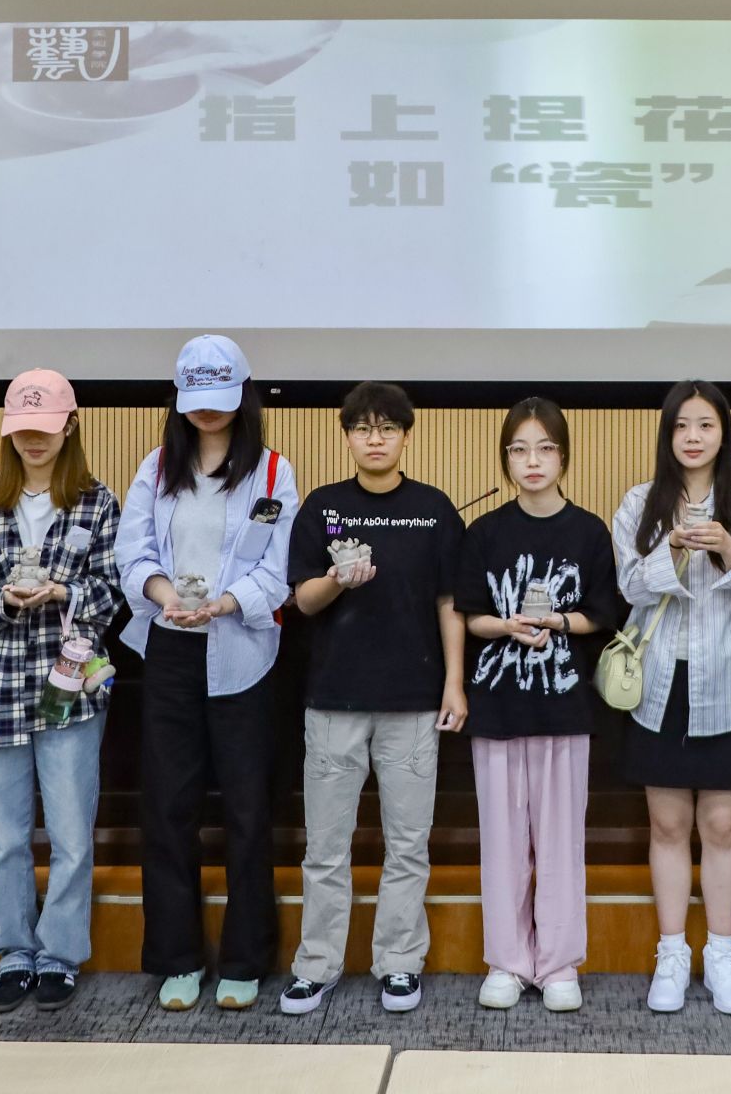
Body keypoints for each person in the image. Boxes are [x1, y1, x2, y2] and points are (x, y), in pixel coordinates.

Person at [114, 334, 297, 1013]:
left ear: (244, 398)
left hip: (244, 655)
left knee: (248, 811)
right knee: (169, 808)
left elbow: (277, 568)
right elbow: (131, 552)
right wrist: (167, 596)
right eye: (197, 400)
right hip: (169, 651)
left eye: (221, 399)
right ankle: (178, 957)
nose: (209, 412)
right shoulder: (157, 466)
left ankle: (246, 959)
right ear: (180, 401)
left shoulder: (273, 474)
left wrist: (224, 604)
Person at [0, 369, 121, 1013]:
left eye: (44, 428)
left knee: (71, 833)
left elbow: (115, 590)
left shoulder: (97, 503)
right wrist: (5, 601)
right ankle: (13, 952)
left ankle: (60, 954)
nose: (33, 440)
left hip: (68, 686)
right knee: (5, 837)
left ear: (70, 425)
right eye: (22, 429)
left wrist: (64, 591)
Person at [281, 381, 466, 1015]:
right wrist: (336, 579)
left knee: (408, 845)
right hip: (334, 700)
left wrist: (454, 683)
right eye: (363, 429)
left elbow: (450, 602)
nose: (376, 439)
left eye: (388, 428)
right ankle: (316, 965)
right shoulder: (323, 507)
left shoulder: (434, 509)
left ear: (406, 437)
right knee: (325, 848)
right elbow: (304, 600)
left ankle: (399, 962)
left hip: (414, 702)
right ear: (348, 438)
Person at [612, 380, 731, 1016]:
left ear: (723, 434)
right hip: (660, 683)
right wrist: (674, 548)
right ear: (668, 435)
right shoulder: (639, 503)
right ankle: (672, 953)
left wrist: (728, 547)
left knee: (722, 824)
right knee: (667, 824)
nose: (692, 437)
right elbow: (629, 587)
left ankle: (722, 953)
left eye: (705, 425)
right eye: (681, 425)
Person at [458, 398, 620, 1014]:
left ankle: (558, 964)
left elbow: (602, 615)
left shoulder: (589, 531)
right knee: (502, 843)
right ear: (505, 459)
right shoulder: (484, 532)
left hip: (564, 708)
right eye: (520, 450)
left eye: (545, 448)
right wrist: (505, 627)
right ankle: (505, 961)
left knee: (559, 844)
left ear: (563, 456)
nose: (533, 461)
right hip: (497, 707)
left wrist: (558, 621)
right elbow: (470, 616)